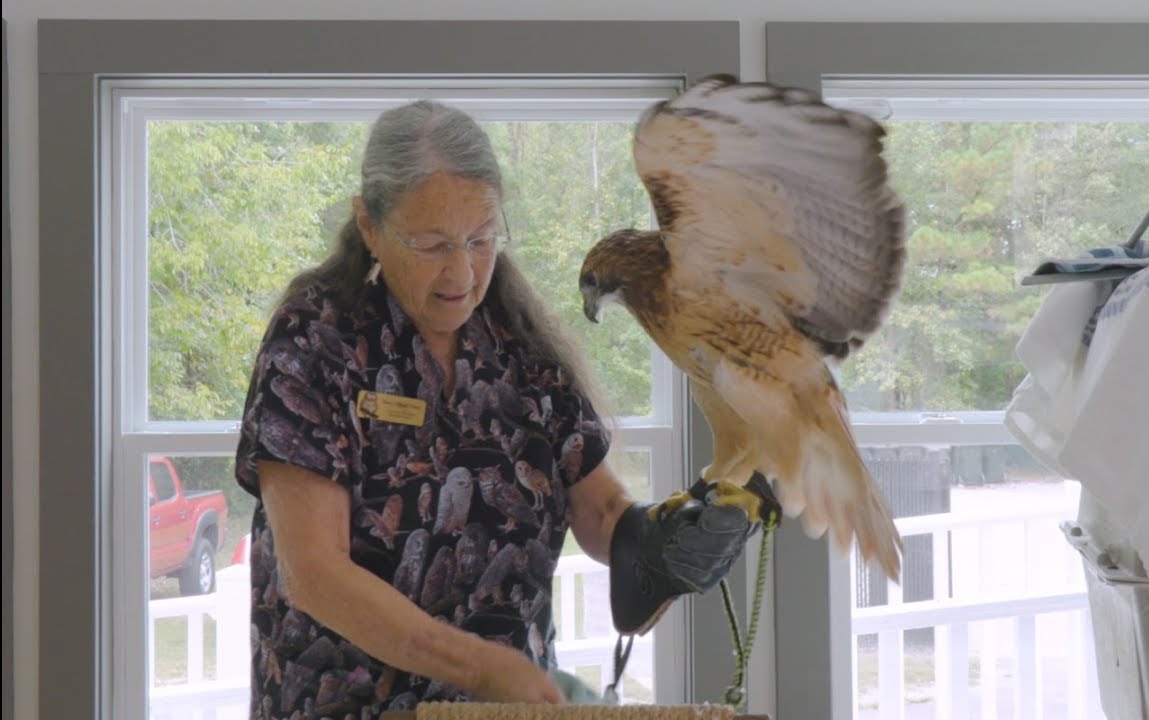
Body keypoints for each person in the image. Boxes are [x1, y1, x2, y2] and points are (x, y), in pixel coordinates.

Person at [234, 100, 758, 718]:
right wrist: (479, 667)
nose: (462, 271)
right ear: (369, 225)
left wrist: (664, 540)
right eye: (432, 245)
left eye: (482, 239)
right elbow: (314, 572)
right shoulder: (316, 342)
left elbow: (603, 510)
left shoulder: (522, 348)